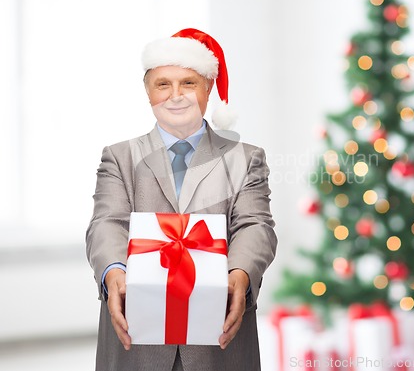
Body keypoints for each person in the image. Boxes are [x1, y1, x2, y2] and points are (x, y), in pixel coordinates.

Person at [85, 28, 278, 371]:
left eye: (188, 83)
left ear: (207, 88)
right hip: (137, 341)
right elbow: (106, 223)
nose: (176, 96)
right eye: (163, 84)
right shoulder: (119, 157)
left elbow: (255, 225)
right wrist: (114, 272)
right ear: (148, 92)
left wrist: (241, 273)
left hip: (218, 342)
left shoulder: (245, 158)